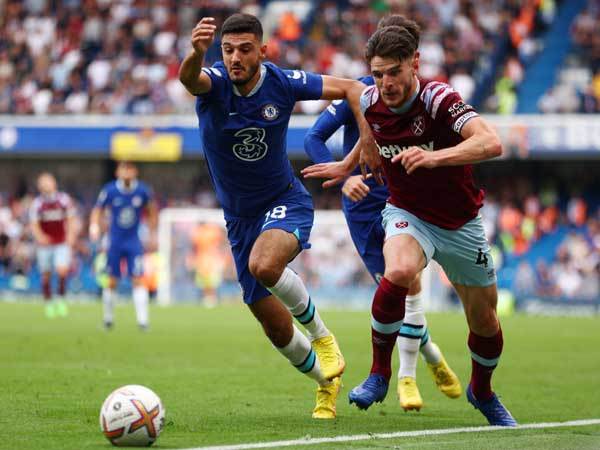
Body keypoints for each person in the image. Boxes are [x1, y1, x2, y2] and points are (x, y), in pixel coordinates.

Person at [303, 25, 516, 426]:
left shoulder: (439, 98)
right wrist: (348, 166)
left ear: (414, 64)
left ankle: (482, 392)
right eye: (378, 73)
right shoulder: (369, 100)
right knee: (398, 270)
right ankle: (379, 374)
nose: (385, 83)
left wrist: (434, 158)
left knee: (485, 320)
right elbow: (376, 139)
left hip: (460, 222)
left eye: (394, 72)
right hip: (407, 213)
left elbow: (491, 142)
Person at [178, 13, 375, 419]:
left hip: (284, 200)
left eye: (244, 50)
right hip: (239, 220)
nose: (235, 58)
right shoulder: (213, 84)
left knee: (265, 264)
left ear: (262, 51)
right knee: (275, 327)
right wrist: (196, 53)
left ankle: (323, 337)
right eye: (228, 50)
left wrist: (362, 147)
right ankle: (327, 382)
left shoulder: (282, 83)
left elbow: (356, 90)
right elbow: (188, 80)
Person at [89, 161, 157, 331]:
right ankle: (108, 320)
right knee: (111, 280)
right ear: (118, 172)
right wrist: (95, 227)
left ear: (135, 172)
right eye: (123, 169)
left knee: (138, 279)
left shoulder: (142, 190)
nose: (126, 172)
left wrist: (151, 232)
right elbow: (97, 210)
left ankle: (143, 322)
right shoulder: (110, 190)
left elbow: (151, 211)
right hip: (115, 241)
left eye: (130, 169)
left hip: (134, 242)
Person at [30, 172, 77, 318]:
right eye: (42, 182)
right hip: (45, 245)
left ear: (54, 183)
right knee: (46, 275)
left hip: (61, 242)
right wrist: (40, 237)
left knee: (62, 271)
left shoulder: (63, 200)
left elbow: (71, 219)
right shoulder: (37, 203)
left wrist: (71, 236)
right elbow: (34, 224)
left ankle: (61, 300)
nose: (45, 185)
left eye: (47, 181)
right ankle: (49, 303)